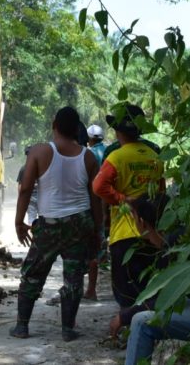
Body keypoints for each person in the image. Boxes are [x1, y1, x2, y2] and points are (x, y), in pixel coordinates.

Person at [9, 106, 103, 342]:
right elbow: (96, 198)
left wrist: (19, 221)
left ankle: (22, 326)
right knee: (73, 277)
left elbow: (26, 189)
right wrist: (97, 230)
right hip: (80, 223)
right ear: (76, 129)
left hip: (49, 224)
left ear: (54, 125)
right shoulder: (88, 157)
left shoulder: (40, 152)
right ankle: (67, 329)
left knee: (33, 274)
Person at [108, 195, 190, 365]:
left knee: (141, 322)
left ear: (141, 223)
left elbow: (166, 300)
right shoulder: (172, 242)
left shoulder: (175, 247)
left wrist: (124, 316)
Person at [93, 103, 165, 307]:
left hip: (124, 234)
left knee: (126, 293)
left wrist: (122, 199)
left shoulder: (116, 157)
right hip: (151, 233)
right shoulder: (155, 157)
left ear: (118, 131)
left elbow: (98, 187)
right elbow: (161, 194)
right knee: (148, 291)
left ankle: (129, 331)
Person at [83, 123, 107, 301]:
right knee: (96, 247)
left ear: (89, 138)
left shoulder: (86, 154)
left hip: (88, 205)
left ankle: (86, 290)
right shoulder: (108, 152)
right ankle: (91, 289)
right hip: (107, 201)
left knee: (83, 249)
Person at [16, 146, 39, 226]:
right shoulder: (41, 167)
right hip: (41, 198)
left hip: (30, 199)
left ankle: (33, 237)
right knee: (44, 219)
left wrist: (20, 201)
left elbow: (20, 188)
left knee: (31, 219)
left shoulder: (23, 169)